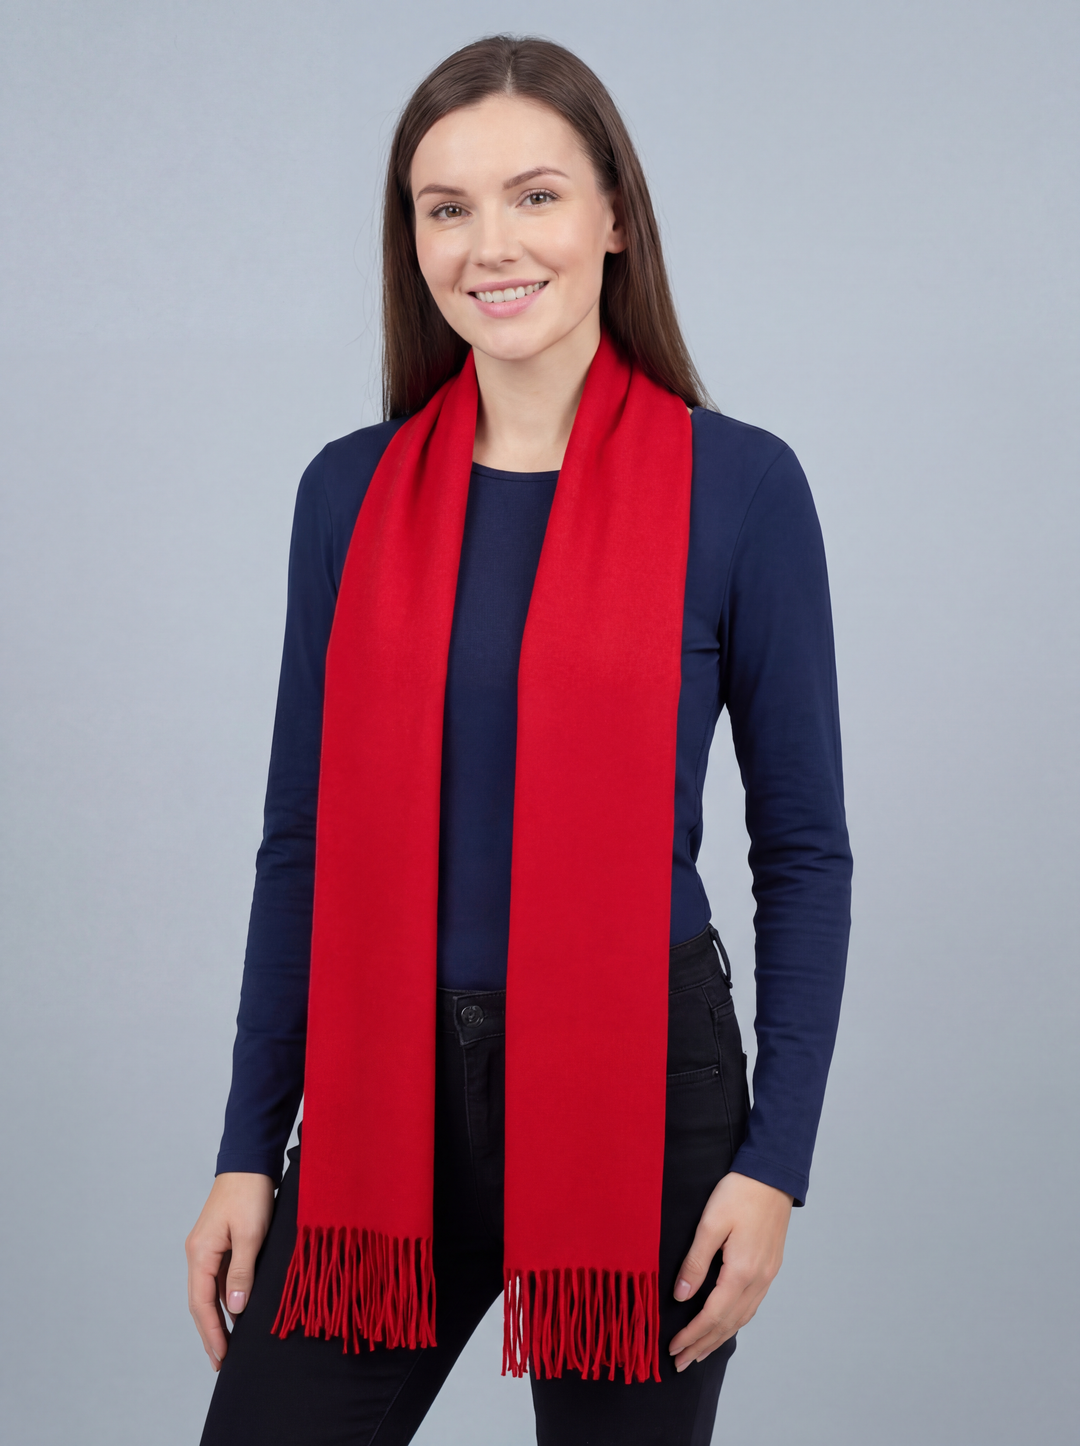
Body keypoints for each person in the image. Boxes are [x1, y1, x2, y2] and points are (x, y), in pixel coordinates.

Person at [187, 33, 852, 1446]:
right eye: (447, 207)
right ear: (413, 239)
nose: (491, 244)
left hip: (643, 1102)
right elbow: (300, 842)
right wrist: (249, 1149)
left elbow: (803, 852)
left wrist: (775, 1165)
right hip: (385, 1103)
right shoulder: (347, 495)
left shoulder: (741, 489)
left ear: (614, 216)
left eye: (535, 196)